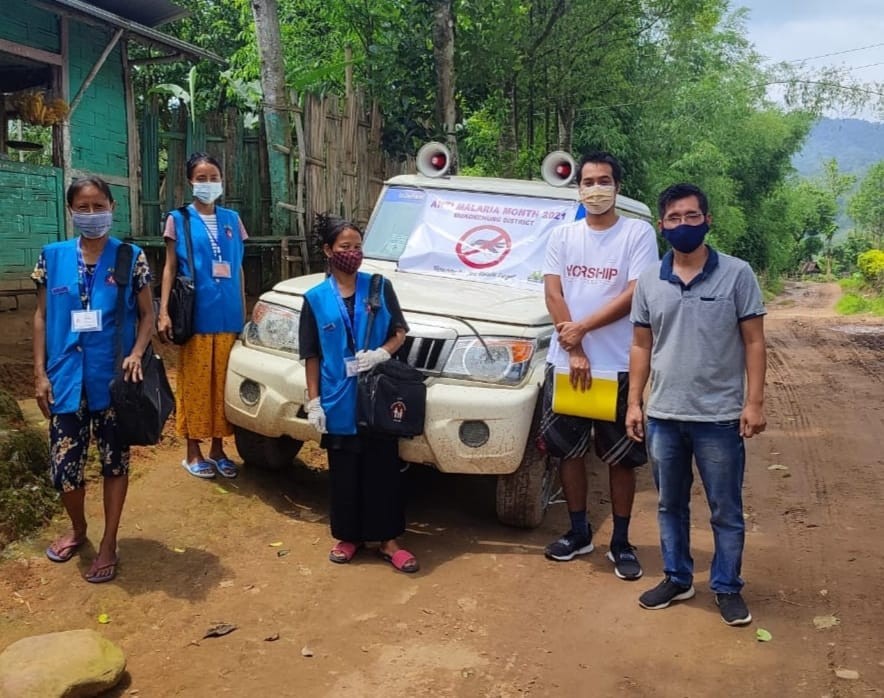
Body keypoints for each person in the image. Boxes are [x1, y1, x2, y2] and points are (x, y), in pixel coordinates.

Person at [626, 182, 767, 626]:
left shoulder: (737, 274)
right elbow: (641, 346)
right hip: (664, 414)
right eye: (674, 218)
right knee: (670, 504)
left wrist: (754, 403)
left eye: (691, 216)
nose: (683, 225)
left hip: (719, 418)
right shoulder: (649, 280)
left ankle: (726, 587)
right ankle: (678, 577)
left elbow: (754, 341)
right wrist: (635, 402)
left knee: (724, 508)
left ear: (707, 221)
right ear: (661, 226)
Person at [540, 151, 659, 580]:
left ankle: (622, 541)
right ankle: (578, 532)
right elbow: (553, 293)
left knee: (620, 457)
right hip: (570, 364)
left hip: (618, 364)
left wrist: (583, 329)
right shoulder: (563, 236)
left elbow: (634, 292)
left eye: (603, 180)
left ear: (617, 187)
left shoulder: (638, 233)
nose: (595, 189)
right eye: (588, 182)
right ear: (578, 189)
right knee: (567, 452)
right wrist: (573, 348)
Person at [32, 176, 154, 583]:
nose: (90, 214)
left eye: (97, 205)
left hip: (112, 379)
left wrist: (137, 352)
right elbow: (41, 316)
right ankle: (79, 529)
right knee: (65, 469)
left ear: (112, 206)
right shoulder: (52, 257)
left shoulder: (130, 257)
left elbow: (148, 314)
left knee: (114, 461)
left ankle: (109, 541)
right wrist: (39, 373)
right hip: (65, 378)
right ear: (71, 211)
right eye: (82, 208)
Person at [297, 214, 417, 573]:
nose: (352, 253)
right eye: (344, 247)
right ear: (328, 251)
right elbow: (312, 354)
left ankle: (389, 540)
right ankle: (348, 537)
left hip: (378, 394)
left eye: (357, 247)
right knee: (344, 471)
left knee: (382, 468)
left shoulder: (379, 287)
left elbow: (400, 332)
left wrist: (382, 352)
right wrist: (314, 401)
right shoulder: (315, 299)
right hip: (338, 398)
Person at [157, 152, 247, 480]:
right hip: (195, 315)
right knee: (196, 384)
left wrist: (244, 313)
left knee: (224, 384)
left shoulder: (233, 220)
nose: (208, 183)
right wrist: (163, 311)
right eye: (201, 178)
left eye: (213, 177)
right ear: (190, 181)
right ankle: (192, 450)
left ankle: (219, 449)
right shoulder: (177, 220)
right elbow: (169, 268)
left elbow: (237, 269)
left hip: (229, 317)